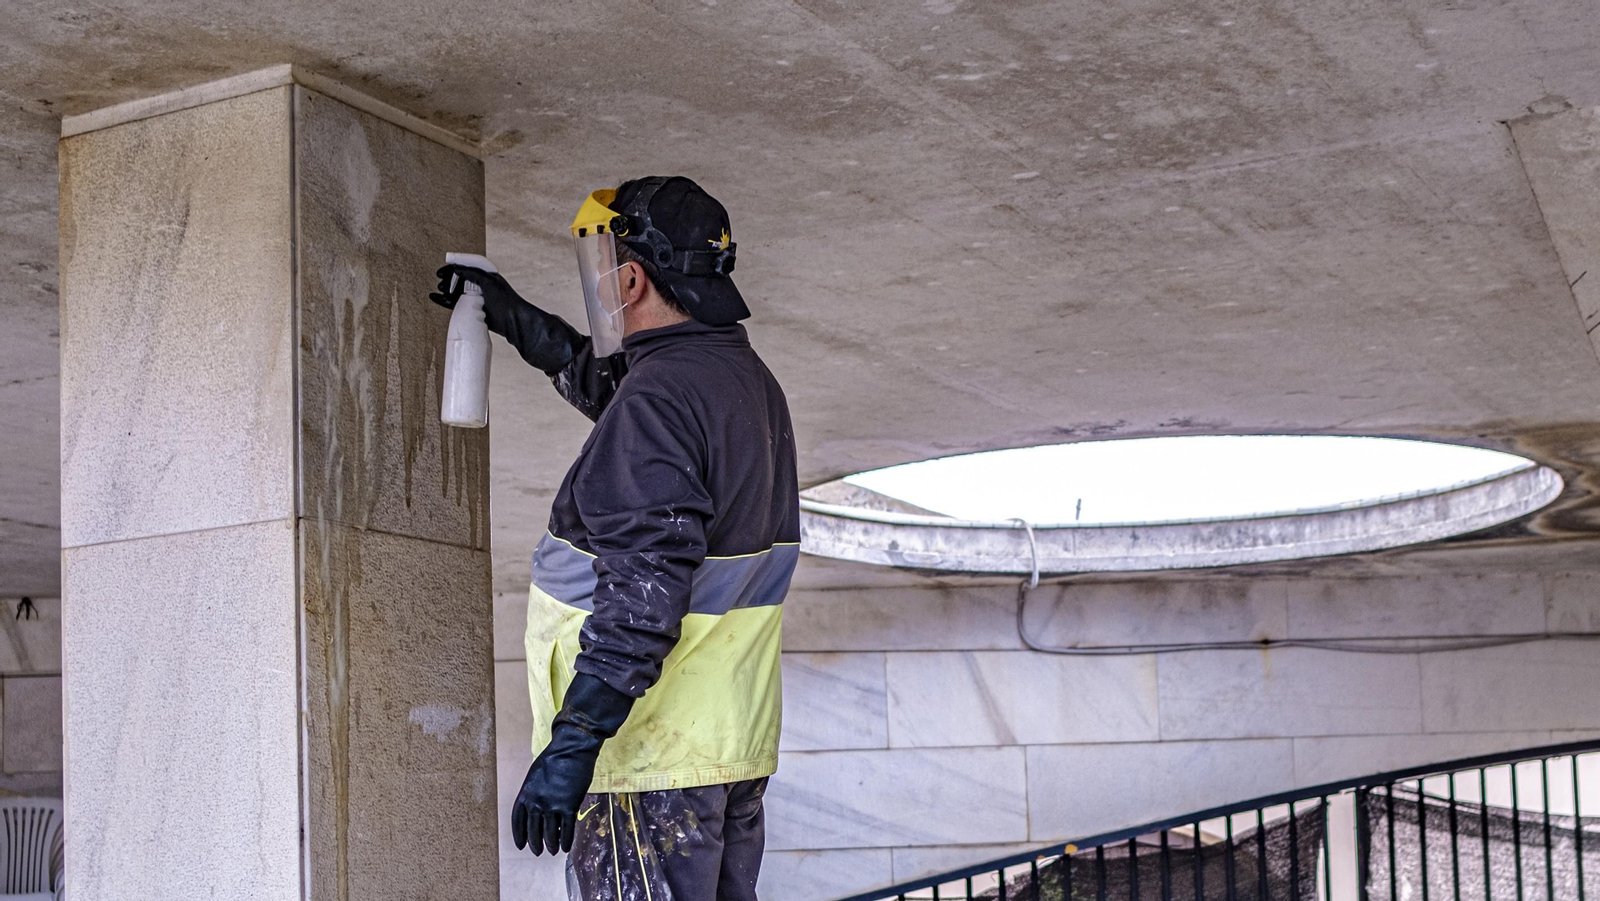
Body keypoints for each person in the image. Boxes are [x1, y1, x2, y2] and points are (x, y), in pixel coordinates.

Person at [430, 176, 799, 900]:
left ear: (630, 278)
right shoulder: (740, 379)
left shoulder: (661, 398)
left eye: (604, 268)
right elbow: (621, 397)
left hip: (651, 762)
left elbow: (642, 601)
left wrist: (572, 745)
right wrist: (515, 320)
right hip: (724, 748)